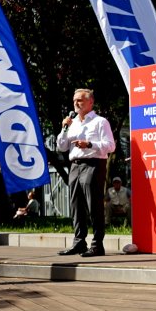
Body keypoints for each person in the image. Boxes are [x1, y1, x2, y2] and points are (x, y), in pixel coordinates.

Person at [56, 88, 116, 257]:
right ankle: (79, 242)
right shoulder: (72, 123)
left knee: (93, 205)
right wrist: (64, 128)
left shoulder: (100, 122)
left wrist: (89, 144)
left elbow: (111, 146)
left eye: (80, 100)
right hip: (75, 165)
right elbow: (61, 147)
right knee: (76, 205)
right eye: (74, 100)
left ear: (91, 102)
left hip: (93, 163)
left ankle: (97, 244)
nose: (76, 103)